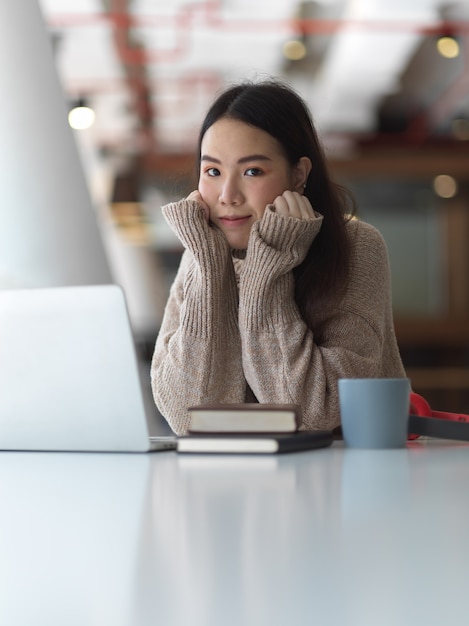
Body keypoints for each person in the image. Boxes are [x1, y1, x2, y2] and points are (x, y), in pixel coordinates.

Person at [151, 79, 406, 435]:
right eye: (213, 171)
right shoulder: (201, 257)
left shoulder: (356, 245)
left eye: (252, 171)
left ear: (298, 174)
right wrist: (210, 270)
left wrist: (268, 268)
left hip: (340, 480)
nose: (227, 195)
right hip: (230, 485)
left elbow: (315, 414)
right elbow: (187, 417)